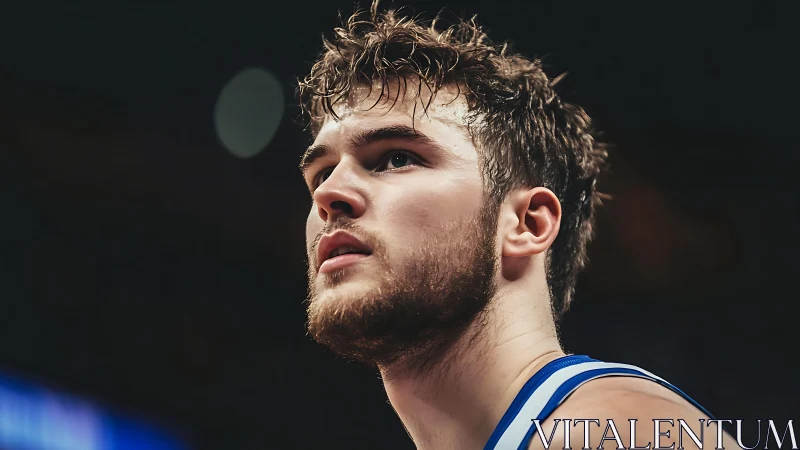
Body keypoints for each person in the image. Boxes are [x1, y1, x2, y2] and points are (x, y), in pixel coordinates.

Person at [297, 2, 728, 449]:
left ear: (527, 223)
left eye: (396, 158)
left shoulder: (611, 430)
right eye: (321, 174)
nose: (329, 194)